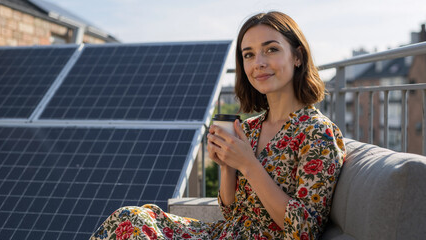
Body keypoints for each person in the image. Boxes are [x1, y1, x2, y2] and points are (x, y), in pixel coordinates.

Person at [90, 11, 345, 240]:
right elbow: (230, 212)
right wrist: (226, 168)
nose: (259, 63)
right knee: (132, 219)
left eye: (271, 49)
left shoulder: (317, 132)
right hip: (226, 233)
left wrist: (248, 164)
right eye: (249, 54)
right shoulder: (251, 128)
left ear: (298, 56)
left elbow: (304, 231)